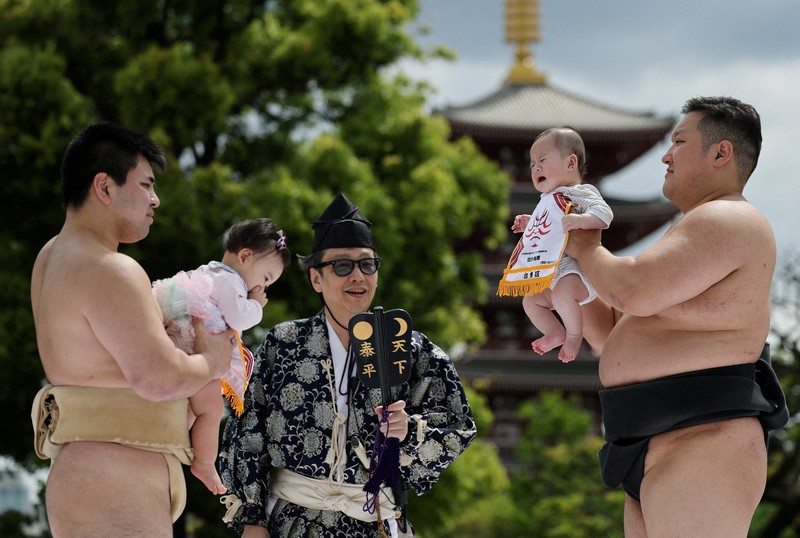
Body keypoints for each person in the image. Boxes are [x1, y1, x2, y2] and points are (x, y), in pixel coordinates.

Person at [567, 96, 789, 537]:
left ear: (721, 153)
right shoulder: (690, 230)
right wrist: (561, 272)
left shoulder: (730, 218)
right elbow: (611, 334)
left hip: (703, 435)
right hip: (646, 436)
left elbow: (632, 289)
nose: (666, 156)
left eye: (679, 141)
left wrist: (586, 248)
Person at [218, 193, 477, 538]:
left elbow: (458, 426)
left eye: (367, 265)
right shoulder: (283, 343)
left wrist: (410, 432)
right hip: (294, 524)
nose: (357, 275)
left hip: (376, 522)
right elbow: (244, 431)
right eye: (342, 265)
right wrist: (251, 518)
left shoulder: (412, 348)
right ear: (316, 279)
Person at [30, 122, 234, 537]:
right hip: (112, 480)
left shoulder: (53, 256)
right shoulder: (110, 269)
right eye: (146, 185)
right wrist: (212, 360)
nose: (155, 200)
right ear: (104, 187)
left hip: (92, 473)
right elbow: (159, 379)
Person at [152, 218, 291, 495]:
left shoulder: (213, 271)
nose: (263, 287)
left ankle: (167, 445)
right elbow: (239, 317)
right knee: (212, 409)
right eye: (265, 278)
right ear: (245, 256)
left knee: (192, 408)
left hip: (185, 344)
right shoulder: (231, 282)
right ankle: (203, 462)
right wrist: (257, 306)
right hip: (195, 348)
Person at [501, 127, 613, 362]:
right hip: (552, 275)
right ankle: (555, 331)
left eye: (542, 160)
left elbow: (605, 214)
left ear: (571, 163)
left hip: (577, 274)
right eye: (532, 164)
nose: (536, 168)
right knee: (530, 300)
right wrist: (529, 223)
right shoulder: (547, 200)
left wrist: (581, 220)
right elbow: (549, 225)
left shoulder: (579, 192)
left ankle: (574, 336)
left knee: (563, 296)